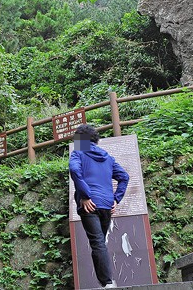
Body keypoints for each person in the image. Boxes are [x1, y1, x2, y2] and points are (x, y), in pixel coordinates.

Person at [69, 124, 129, 289]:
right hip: (106, 205)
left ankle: (107, 282)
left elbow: (74, 170)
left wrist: (85, 195)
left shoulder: (78, 152)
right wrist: (116, 199)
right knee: (100, 242)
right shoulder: (108, 158)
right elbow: (124, 177)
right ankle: (106, 282)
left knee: (97, 243)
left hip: (90, 205)